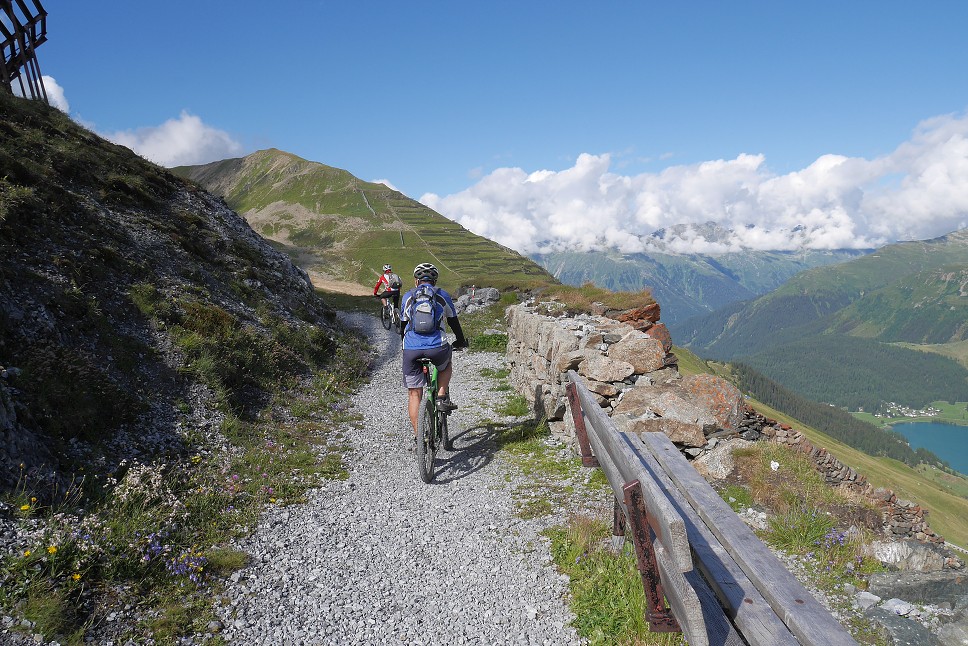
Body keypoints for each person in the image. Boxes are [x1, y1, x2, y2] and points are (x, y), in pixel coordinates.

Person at [399, 262, 468, 437]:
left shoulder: (408, 296)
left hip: (411, 349)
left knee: (414, 395)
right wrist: (460, 341)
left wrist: (405, 345)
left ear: (416, 281)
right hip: (437, 346)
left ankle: (419, 437)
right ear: (434, 281)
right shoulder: (441, 295)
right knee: (446, 364)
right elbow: (453, 321)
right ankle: (441, 396)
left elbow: (403, 325)